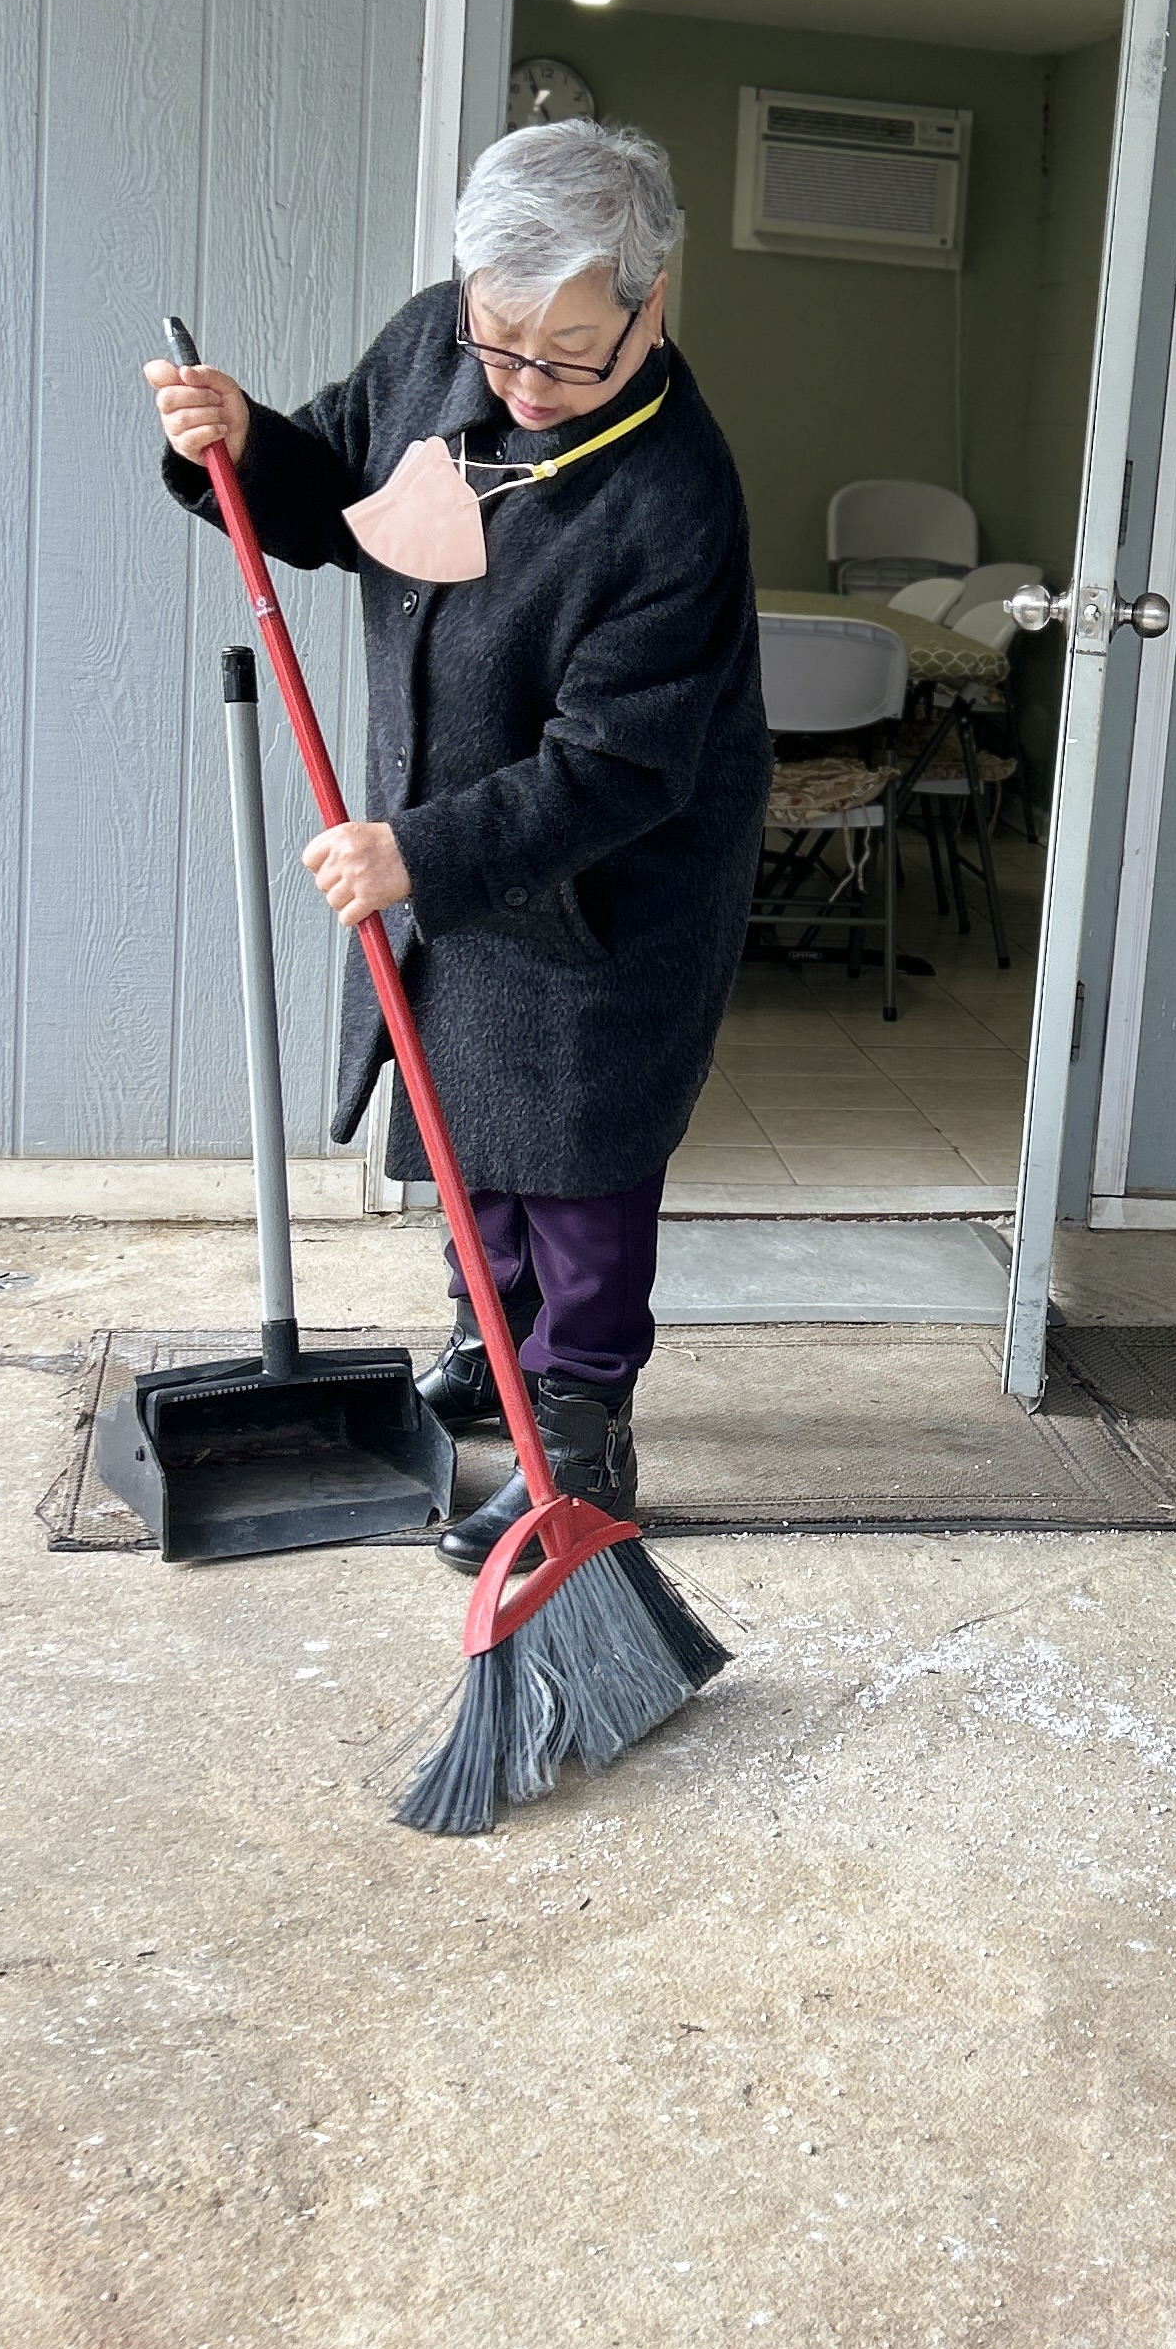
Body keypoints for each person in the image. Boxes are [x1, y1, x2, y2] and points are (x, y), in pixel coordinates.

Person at [145, 119, 770, 1564]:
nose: (526, 384)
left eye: (571, 355)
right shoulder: (440, 344)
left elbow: (619, 763)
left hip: (611, 869)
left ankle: (583, 1418)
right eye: (502, 344)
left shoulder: (674, 494)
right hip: (440, 827)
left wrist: (418, 853)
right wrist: (244, 438)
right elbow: (336, 495)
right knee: (462, 1107)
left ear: (652, 306)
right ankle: (490, 1348)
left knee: (578, 1146)